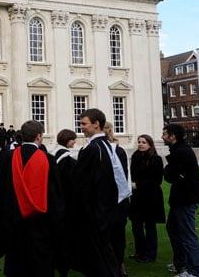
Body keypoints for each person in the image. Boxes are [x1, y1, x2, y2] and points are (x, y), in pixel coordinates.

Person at [0, 120, 64, 276]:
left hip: (13, 223)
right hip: (41, 225)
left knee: (16, 265)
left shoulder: (8, 157)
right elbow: (55, 198)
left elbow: (0, 192)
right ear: (39, 137)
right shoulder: (48, 159)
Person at [70, 108, 129, 277]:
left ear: (96, 124)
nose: (80, 127)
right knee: (105, 255)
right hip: (106, 209)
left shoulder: (93, 149)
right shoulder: (105, 146)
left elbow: (82, 185)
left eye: (84, 123)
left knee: (98, 260)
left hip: (95, 213)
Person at [163, 123, 199, 277]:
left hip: (186, 199)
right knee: (172, 229)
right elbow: (170, 174)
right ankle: (181, 264)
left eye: (165, 134)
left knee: (187, 236)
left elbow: (169, 175)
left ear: (173, 136)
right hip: (179, 198)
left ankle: (194, 271)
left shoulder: (182, 152)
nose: (162, 137)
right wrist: (173, 174)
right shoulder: (177, 150)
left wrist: (172, 173)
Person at [129, 134, 165, 263]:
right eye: (139, 142)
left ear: (150, 144)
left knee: (150, 227)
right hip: (137, 197)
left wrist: (137, 184)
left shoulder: (156, 160)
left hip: (151, 197)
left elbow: (156, 181)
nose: (140, 144)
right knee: (136, 226)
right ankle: (140, 251)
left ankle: (150, 254)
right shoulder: (135, 157)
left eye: (143, 142)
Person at [105, 122, 131, 277]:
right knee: (118, 235)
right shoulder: (120, 150)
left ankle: (116, 266)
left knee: (111, 236)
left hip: (112, 200)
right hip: (120, 200)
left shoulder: (115, 151)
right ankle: (120, 266)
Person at [53, 128, 77, 277]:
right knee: (65, 236)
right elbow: (71, 184)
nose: (75, 142)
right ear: (68, 141)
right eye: (73, 139)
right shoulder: (67, 159)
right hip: (65, 202)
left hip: (54, 200)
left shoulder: (53, 154)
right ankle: (64, 265)